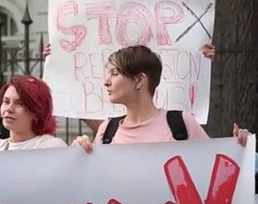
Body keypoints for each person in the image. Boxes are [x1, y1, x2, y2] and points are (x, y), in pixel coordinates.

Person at [71, 45, 249, 151]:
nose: (106, 82)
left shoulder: (181, 124)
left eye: (115, 73)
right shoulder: (107, 130)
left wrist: (239, 149)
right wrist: (78, 154)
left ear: (139, 80)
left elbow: (214, 169)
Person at [0, 75, 67, 154]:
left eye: (20, 104)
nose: (9, 109)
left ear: (37, 111)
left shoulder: (52, 147)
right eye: (6, 101)